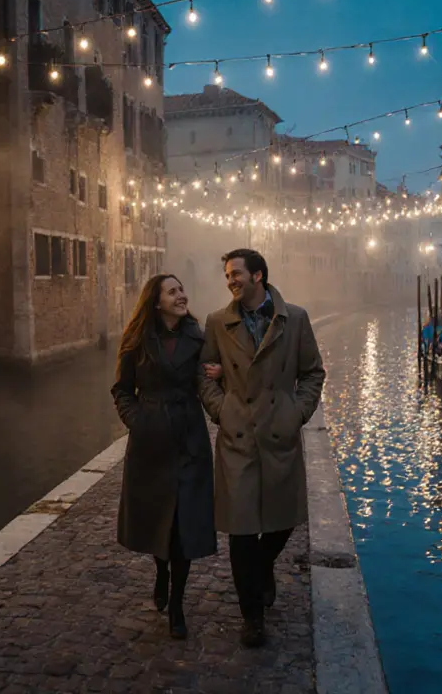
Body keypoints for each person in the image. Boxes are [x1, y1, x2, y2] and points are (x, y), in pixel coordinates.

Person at [198, 248, 326, 648]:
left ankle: (262, 567)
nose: (230, 281)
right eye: (227, 275)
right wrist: (223, 411)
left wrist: (296, 412)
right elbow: (204, 376)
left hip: (278, 432)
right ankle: (251, 616)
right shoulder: (218, 322)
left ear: (259, 276)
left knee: (283, 520)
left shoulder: (296, 319)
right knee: (240, 530)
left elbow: (313, 373)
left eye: (236, 274)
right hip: (238, 438)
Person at [111, 274, 219, 639]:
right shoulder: (137, 340)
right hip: (150, 440)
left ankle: (177, 604)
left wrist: (219, 375)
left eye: (182, 289)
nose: (182, 295)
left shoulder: (199, 338)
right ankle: (161, 572)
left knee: (183, 523)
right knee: (160, 518)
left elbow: (211, 381)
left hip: (189, 437)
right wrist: (138, 421)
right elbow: (122, 390)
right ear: (156, 302)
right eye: (173, 291)